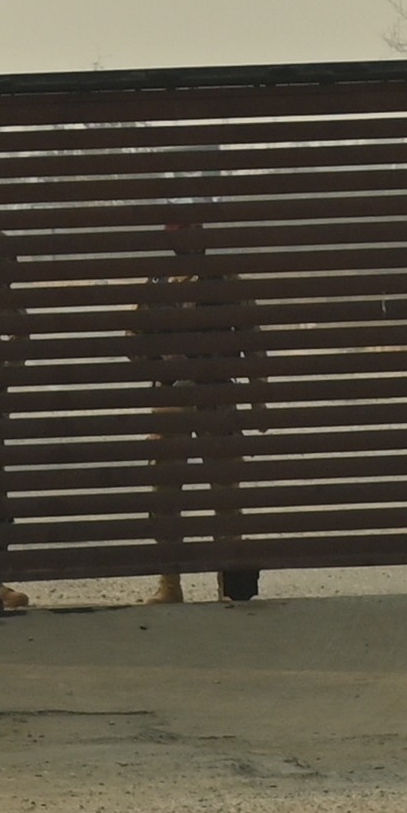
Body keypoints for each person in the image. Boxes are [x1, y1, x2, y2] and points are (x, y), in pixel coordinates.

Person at [128, 208, 270, 604]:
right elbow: (133, 341)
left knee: (224, 496)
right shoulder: (155, 284)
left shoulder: (222, 279)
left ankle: (230, 585)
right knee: (166, 496)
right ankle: (170, 584)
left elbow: (252, 337)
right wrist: (160, 364)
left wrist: (258, 398)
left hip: (215, 396)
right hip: (172, 401)